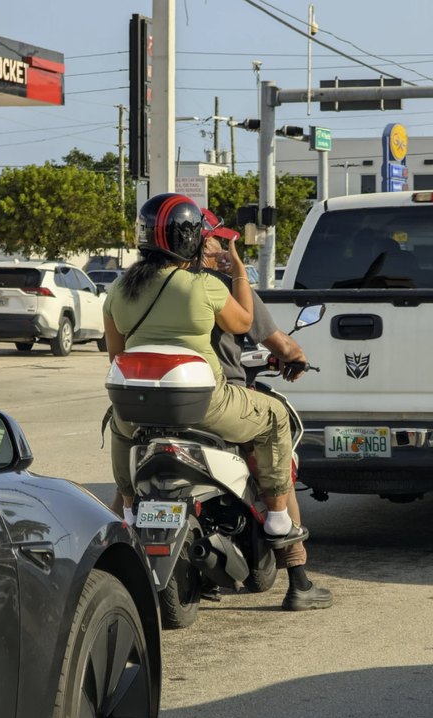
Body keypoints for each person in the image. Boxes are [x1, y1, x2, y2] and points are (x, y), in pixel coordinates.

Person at [103, 193, 307, 565]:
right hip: (204, 404)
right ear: (193, 239)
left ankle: (130, 507)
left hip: (140, 405)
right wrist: (239, 272)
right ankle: (278, 519)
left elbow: (116, 355)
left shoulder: (118, 289)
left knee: (119, 427)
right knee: (275, 415)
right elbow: (245, 322)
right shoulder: (206, 285)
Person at [200, 209, 332, 611]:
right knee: (277, 460)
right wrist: (296, 357)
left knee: (128, 488)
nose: (226, 246)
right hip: (221, 400)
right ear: (206, 244)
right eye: (221, 240)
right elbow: (278, 343)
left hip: (153, 399)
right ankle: (298, 577)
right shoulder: (221, 288)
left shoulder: (142, 288)